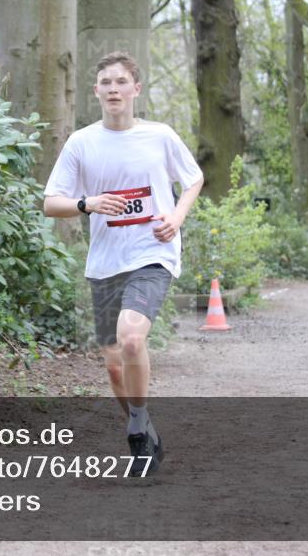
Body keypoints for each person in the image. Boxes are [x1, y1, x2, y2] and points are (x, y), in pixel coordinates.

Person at [43, 51, 204, 475]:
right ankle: (142, 423)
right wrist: (87, 203)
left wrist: (177, 216)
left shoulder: (160, 136)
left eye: (121, 82)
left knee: (132, 339)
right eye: (106, 83)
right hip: (105, 262)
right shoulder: (82, 142)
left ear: (136, 89)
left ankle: (136, 430)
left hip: (153, 253)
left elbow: (193, 178)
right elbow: (50, 202)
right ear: (96, 91)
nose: (113, 89)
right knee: (115, 365)